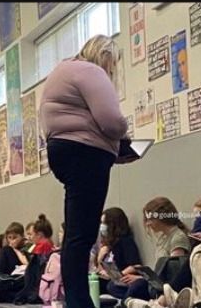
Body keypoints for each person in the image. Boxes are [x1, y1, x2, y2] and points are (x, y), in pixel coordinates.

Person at [39, 34, 128, 308]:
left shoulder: (62, 71)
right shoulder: (91, 70)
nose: (112, 71)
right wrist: (122, 137)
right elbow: (112, 121)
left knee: (77, 233)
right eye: (112, 64)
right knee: (82, 235)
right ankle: (79, 302)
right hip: (85, 154)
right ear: (104, 56)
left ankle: (76, 301)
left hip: (62, 151)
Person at [124, 197, 191, 307]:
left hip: (167, 286)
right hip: (159, 283)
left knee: (137, 286)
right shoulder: (164, 238)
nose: (148, 224)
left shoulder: (178, 238)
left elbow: (175, 273)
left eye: (150, 219)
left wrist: (143, 279)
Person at [96, 207, 142, 297]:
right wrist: (99, 258)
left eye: (104, 223)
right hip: (109, 278)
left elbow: (136, 265)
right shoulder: (108, 244)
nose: (102, 226)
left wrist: (117, 276)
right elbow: (100, 270)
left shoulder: (126, 241)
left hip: (123, 278)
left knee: (111, 286)